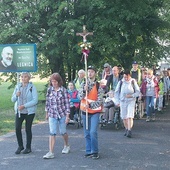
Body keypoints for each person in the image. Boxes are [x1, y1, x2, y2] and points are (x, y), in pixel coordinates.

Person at [79, 66, 104, 159]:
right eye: (88, 71)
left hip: (94, 112)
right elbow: (79, 97)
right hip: (84, 112)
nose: (90, 73)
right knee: (86, 133)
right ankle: (88, 150)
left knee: (93, 132)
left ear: (95, 73)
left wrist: (90, 106)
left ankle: (95, 151)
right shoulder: (83, 84)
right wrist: (83, 90)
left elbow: (100, 100)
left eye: (92, 72)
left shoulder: (98, 86)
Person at [43, 73, 70, 159]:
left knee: (63, 132)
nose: (54, 83)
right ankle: (51, 152)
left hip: (62, 113)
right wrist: (46, 113)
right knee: (52, 132)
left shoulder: (63, 90)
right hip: (52, 114)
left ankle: (66, 145)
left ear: (59, 82)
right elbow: (47, 102)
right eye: (52, 81)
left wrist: (67, 116)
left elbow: (67, 104)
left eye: (55, 81)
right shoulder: (49, 90)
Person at [11, 72, 38, 154]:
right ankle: (20, 146)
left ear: (29, 78)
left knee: (28, 129)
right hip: (19, 111)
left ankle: (28, 147)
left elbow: (35, 100)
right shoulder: (17, 87)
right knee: (17, 128)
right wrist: (16, 95)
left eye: (25, 77)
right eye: (22, 77)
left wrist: (24, 106)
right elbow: (12, 99)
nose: (23, 78)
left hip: (29, 112)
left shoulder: (32, 87)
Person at [115, 70, 140, 138]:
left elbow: (138, 92)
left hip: (131, 101)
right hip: (122, 101)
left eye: (127, 77)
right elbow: (116, 93)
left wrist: (132, 95)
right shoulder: (121, 82)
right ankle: (126, 128)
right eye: (125, 77)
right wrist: (117, 102)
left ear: (130, 76)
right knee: (124, 117)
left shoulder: (133, 82)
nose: (126, 78)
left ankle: (129, 130)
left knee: (129, 116)